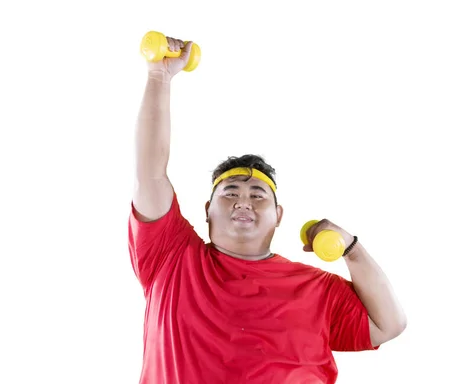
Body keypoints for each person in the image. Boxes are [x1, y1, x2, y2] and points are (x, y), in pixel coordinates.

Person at [128, 35, 407, 384]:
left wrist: (351, 249)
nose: (244, 200)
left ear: (279, 216)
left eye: (258, 194)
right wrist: (159, 77)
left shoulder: (315, 288)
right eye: (230, 192)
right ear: (207, 210)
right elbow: (150, 173)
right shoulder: (171, 258)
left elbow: (389, 323)